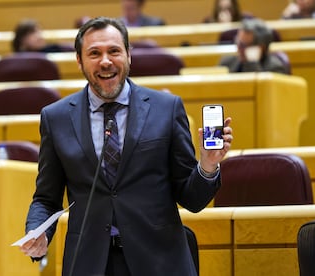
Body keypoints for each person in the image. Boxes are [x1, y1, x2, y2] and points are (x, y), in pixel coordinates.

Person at [19, 16, 233, 276]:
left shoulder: (166, 109)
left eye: (114, 51)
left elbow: (192, 199)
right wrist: (37, 230)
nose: (105, 61)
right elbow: (46, 197)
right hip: (90, 263)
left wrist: (208, 166)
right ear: (79, 60)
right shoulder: (56, 118)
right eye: (94, 53)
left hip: (160, 262)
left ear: (129, 55)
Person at [219, 18, 289, 74]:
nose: (238, 48)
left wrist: (252, 63)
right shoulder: (227, 62)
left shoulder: (275, 68)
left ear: (261, 48)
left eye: (243, 45)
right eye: (237, 42)